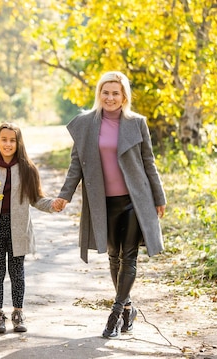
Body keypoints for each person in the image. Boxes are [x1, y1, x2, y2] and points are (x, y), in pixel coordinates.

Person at [52, 71, 166, 339]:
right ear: (99, 94)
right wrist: (64, 195)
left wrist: (159, 196)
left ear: (124, 96)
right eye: (106, 92)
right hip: (103, 203)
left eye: (116, 93)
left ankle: (115, 313)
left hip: (135, 201)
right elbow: (75, 167)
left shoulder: (137, 123)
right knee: (114, 258)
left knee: (129, 256)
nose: (110, 97)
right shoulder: (85, 125)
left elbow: (148, 162)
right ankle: (128, 307)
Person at [0, 123, 58, 334]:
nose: (8, 144)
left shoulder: (27, 169)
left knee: (17, 272)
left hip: (18, 229)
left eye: (12, 140)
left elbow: (36, 199)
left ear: (18, 143)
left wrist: (53, 204)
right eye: (4, 139)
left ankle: (18, 312)